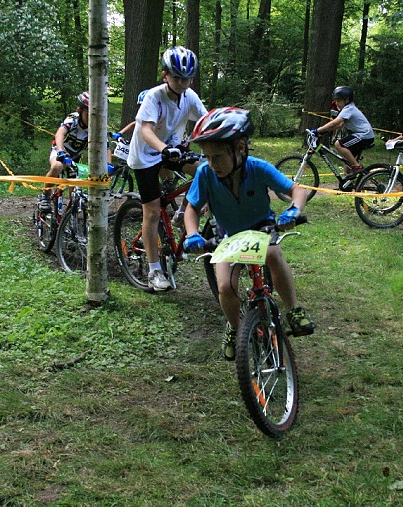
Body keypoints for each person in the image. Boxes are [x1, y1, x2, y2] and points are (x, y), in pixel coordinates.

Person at [181, 107, 315, 361]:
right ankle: (235, 327)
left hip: (261, 226)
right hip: (228, 234)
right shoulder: (205, 173)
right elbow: (192, 209)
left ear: (240, 148)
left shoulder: (258, 168)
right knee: (225, 286)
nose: (212, 164)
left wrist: (294, 210)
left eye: (218, 157)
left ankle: (294, 309)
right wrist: (192, 234)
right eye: (207, 157)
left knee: (273, 255)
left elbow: (297, 191)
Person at [127, 46, 208, 292]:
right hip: (145, 157)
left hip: (171, 150)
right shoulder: (154, 96)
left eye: (187, 78)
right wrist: (163, 148)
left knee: (206, 170)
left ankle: (183, 212)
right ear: (165, 75)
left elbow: (206, 122)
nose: (182, 83)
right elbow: (146, 130)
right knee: (152, 212)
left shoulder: (189, 96)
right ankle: (154, 271)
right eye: (177, 78)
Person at [311, 85, 375, 188]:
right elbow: (339, 125)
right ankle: (348, 183)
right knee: (347, 160)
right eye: (335, 101)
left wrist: (317, 130)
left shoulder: (349, 109)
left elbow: (335, 122)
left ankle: (357, 167)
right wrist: (325, 132)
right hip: (360, 135)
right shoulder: (346, 109)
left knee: (339, 144)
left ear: (347, 100)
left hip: (364, 135)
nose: (337, 103)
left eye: (339, 101)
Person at [38, 92, 91, 211]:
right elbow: (60, 134)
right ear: (79, 111)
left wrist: (108, 165)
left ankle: (71, 215)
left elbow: (106, 147)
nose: (91, 119)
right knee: (57, 166)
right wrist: (61, 151)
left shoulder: (97, 126)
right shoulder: (73, 119)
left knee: (75, 193)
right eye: (88, 114)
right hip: (60, 150)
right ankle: (45, 196)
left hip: (75, 158)